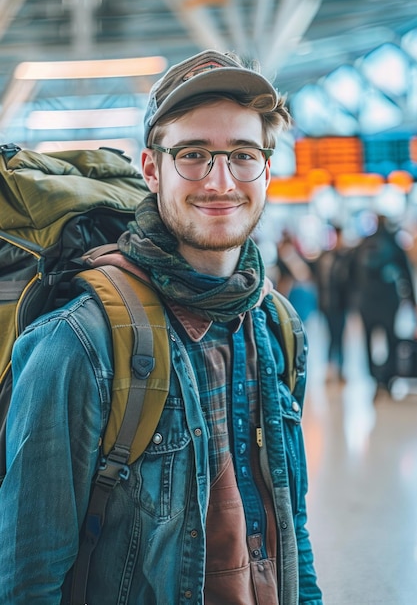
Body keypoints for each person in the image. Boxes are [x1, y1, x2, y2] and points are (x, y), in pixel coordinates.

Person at [0, 50, 322, 605]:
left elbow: (292, 525)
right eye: (194, 154)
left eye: (244, 155)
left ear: (267, 167)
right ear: (153, 169)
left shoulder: (277, 326)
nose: (222, 181)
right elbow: (29, 579)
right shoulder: (80, 342)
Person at [351, 213, 416, 395]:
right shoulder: (394, 244)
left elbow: (352, 274)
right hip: (388, 300)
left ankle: (374, 376)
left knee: (367, 339)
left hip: (366, 301)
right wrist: (412, 301)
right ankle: (388, 377)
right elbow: (406, 275)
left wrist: (354, 298)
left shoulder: (363, 245)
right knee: (391, 338)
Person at [314, 226, 353, 382]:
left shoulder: (345, 258)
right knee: (330, 336)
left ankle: (341, 368)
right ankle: (330, 368)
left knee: (339, 336)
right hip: (326, 304)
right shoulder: (324, 257)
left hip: (340, 304)